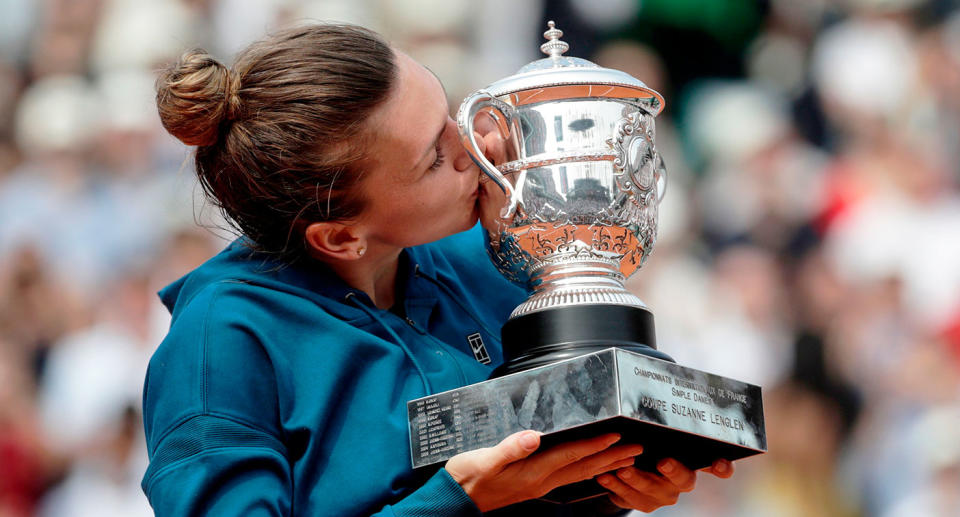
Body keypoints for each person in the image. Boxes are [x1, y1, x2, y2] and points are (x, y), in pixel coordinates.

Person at [142, 23, 733, 516]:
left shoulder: (489, 258)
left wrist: (613, 478)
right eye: (433, 158)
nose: (472, 147)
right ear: (342, 236)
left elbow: (567, 448)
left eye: (452, 113)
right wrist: (458, 501)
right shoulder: (219, 346)